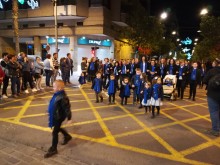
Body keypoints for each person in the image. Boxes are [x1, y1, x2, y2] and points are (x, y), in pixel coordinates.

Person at [44, 80, 72, 158]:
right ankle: (67, 136)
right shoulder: (57, 94)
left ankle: (54, 148)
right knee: (57, 128)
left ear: (59, 88)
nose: (53, 88)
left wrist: (69, 118)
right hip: (56, 115)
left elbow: (67, 108)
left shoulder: (63, 97)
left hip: (58, 117)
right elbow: (53, 104)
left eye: (54, 87)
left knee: (55, 132)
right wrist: (49, 110)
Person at [203, 58, 220, 137]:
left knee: (214, 112)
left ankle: (215, 130)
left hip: (212, 94)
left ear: (216, 63)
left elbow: (204, 80)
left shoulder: (212, 71)